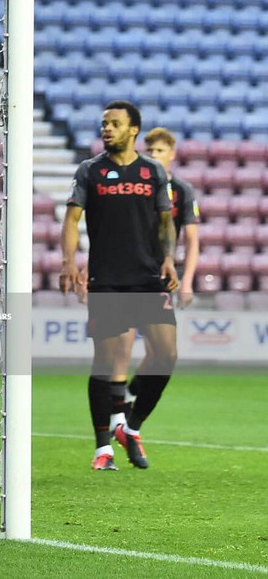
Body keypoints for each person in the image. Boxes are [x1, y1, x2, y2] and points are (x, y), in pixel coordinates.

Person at [60, 101, 178, 471]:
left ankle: (131, 424)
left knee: (166, 356)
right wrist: (69, 262)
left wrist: (169, 258)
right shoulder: (89, 171)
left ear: (133, 131)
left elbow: (165, 222)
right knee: (106, 361)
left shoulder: (153, 171)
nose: (106, 129)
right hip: (107, 279)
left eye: (115, 123)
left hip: (147, 277)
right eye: (104, 123)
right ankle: (102, 448)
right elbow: (71, 218)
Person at [106, 128, 200, 435]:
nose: (155, 156)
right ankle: (114, 423)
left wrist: (187, 281)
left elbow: (192, 239)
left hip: (159, 281)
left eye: (161, 151)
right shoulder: (136, 186)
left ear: (172, 154)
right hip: (128, 277)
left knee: (164, 354)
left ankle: (131, 412)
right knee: (124, 349)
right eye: (151, 151)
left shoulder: (183, 191)